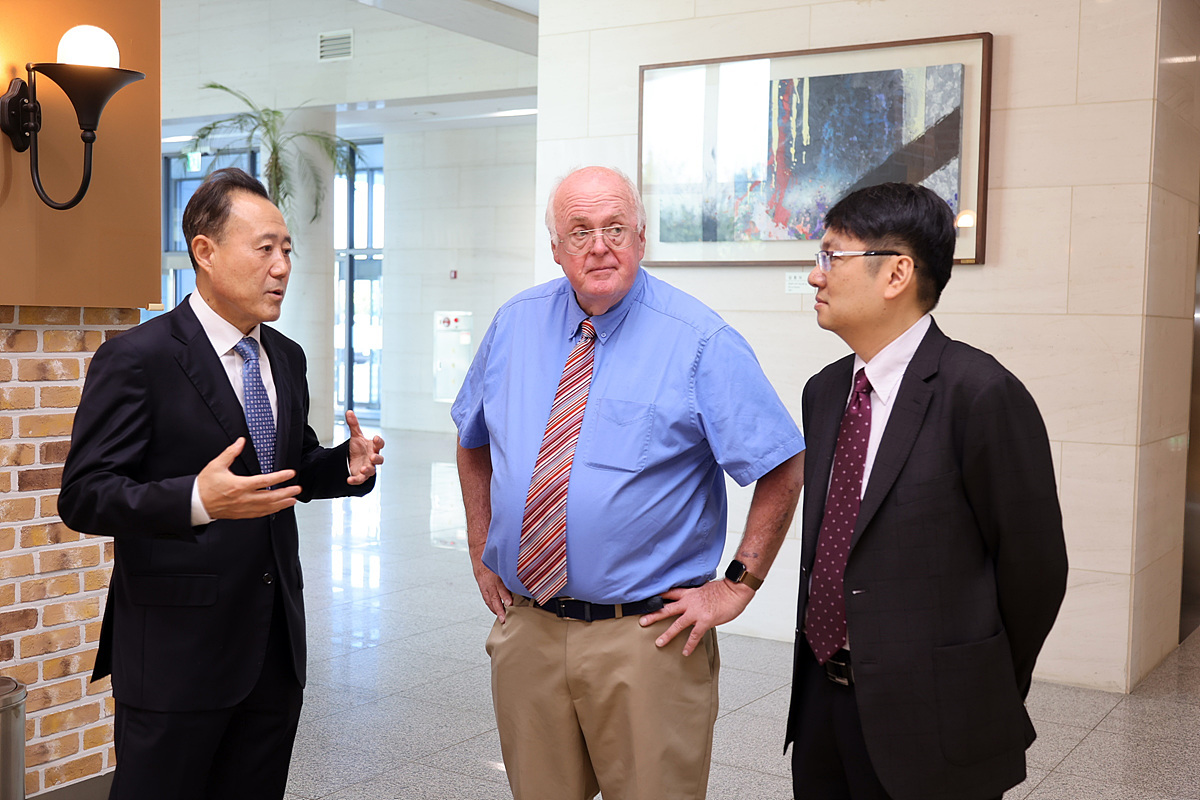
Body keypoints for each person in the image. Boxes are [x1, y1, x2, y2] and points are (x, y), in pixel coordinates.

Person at [452, 165, 805, 800]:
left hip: (645, 639)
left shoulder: (701, 341)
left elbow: (782, 462)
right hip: (529, 629)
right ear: (555, 247)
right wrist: (482, 547)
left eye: (615, 227)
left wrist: (737, 585)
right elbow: (471, 436)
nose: (599, 245)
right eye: (579, 230)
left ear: (641, 238)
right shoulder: (514, 323)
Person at [58, 167, 385, 800]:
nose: (283, 266)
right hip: (177, 654)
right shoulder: (138, 358)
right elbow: (85, 494)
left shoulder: (284, 356)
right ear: (205, 253)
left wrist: (343, 466)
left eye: (287, 248)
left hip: (272, 648)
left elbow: (287, 466)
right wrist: (195, 502)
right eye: (264, 248)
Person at [786, 182, 1068, 800]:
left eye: (832, 257)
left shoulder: (981, 394)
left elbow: (1036, 571)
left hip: (936, 718)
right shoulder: (825, 391)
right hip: (822, 706)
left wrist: (979, 681)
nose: (815, 276)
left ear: (896, 274)